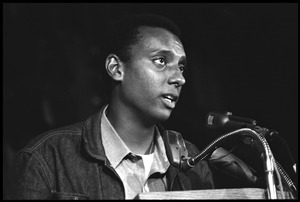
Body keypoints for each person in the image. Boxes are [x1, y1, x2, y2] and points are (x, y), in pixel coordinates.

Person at [6, 13, 214, 200]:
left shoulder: (194, 161)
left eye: (182, 67)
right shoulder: (46, 158)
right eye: (160, 60)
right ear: (116, 68)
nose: (180, 78)